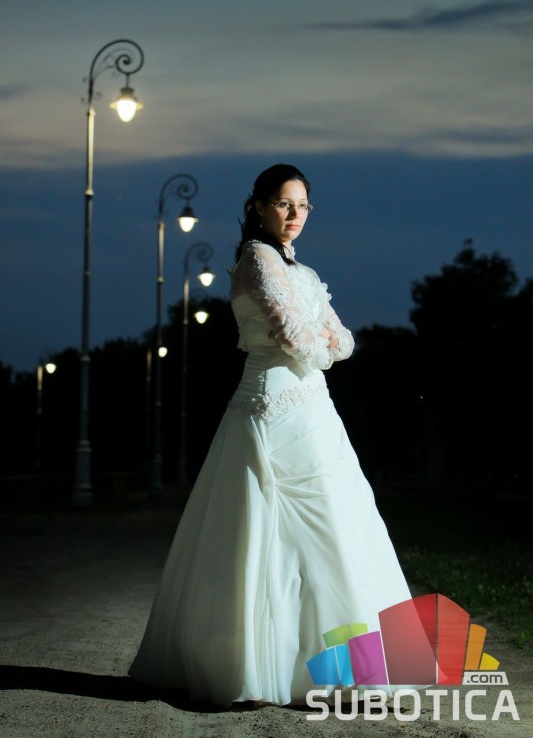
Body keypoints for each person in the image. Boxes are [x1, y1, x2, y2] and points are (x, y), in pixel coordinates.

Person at [128, 163, 412, 707]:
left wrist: (322, 341)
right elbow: (293, 335)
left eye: (302, 205)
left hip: (313, 410)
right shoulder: (257, 258)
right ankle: (267, 665)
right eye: (284, 203)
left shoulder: (302, 270)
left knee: (338, 525)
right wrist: (321, 341)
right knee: (276, 531)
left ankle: (345, 664)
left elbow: (344, 340)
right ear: (259, 206)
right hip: (271, 407)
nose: (294, 214)